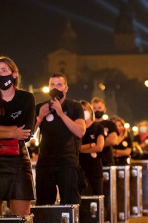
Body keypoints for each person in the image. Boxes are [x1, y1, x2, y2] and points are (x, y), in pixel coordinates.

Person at [0, 56, 34, 216]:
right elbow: (18, 132)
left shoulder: (26, 98)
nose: (0, 75)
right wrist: (12, 132)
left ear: (14, 74)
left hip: (18, 161)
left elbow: (26, 133)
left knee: (22, 220)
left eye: (4, 70)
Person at [35, 72, 85, 205]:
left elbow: (80, 131)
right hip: (45, 163)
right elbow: (28, 134)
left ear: (66, 88)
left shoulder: (74, 107)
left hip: (67, 162)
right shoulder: (41, 107)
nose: (55, 88)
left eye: (59, 85)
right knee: (44, 205)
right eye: (52, 85)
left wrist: (61, 114)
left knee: (69, 205)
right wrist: (40, 117)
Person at [79, 100, 104, 196]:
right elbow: (75, 149)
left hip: (95, 169)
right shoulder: (76, 128)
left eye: (85, 110)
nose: (83, 112)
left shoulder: (98, 127)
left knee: (97, 196)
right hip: (80, 169)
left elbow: (99, 147)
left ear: (90, 111)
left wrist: (81, 149)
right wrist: (90, 145)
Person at [91, 97, 118, 167]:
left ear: (104, 109)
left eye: (99, 108)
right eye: (94, 108)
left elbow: (112, 141)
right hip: (90, 162)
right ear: (91, 110)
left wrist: (92, 145)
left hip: (106, 161)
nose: (97, 110)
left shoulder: (110, 124)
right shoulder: (87, 125)